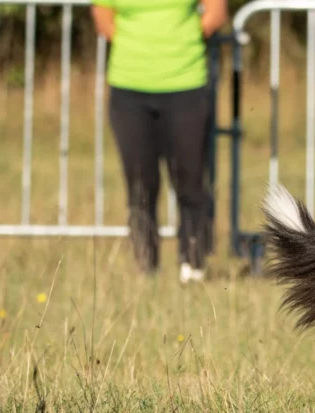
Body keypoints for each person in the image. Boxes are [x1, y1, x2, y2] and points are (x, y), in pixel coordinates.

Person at [91, 0, 228, 283]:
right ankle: (146, 266)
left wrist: (179, 44)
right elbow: (104, 21)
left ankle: (193, 264)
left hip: (186, 85)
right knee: (140, 183)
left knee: (190, 180)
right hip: (129, 89)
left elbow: (215, 14)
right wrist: (143, 51)